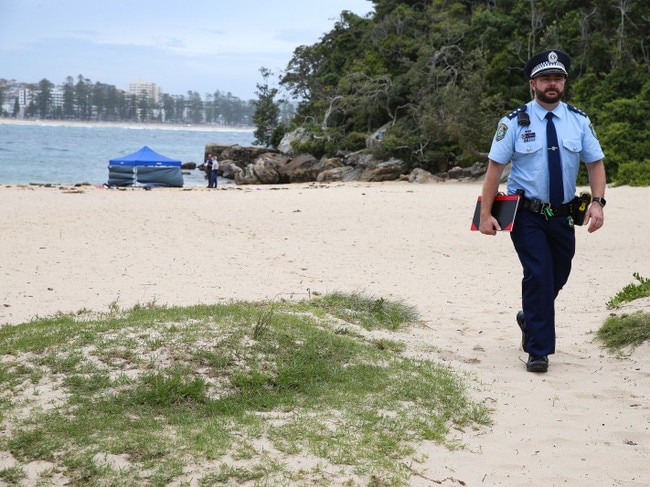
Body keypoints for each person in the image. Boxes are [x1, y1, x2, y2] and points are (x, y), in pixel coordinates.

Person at [479, 49, 606, 373]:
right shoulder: (514, 121)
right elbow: (495, 169)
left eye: (558, 78)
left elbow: (595, 164)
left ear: (564, 83)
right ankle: (539, 351)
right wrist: (485, 214)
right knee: (538, 274)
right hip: (526, 214)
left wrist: (597, 202)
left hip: (563, 215)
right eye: (546, 79)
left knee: (558, 274)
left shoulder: (578, 121)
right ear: (533, 83)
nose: (553, 84)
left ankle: (529, 317)